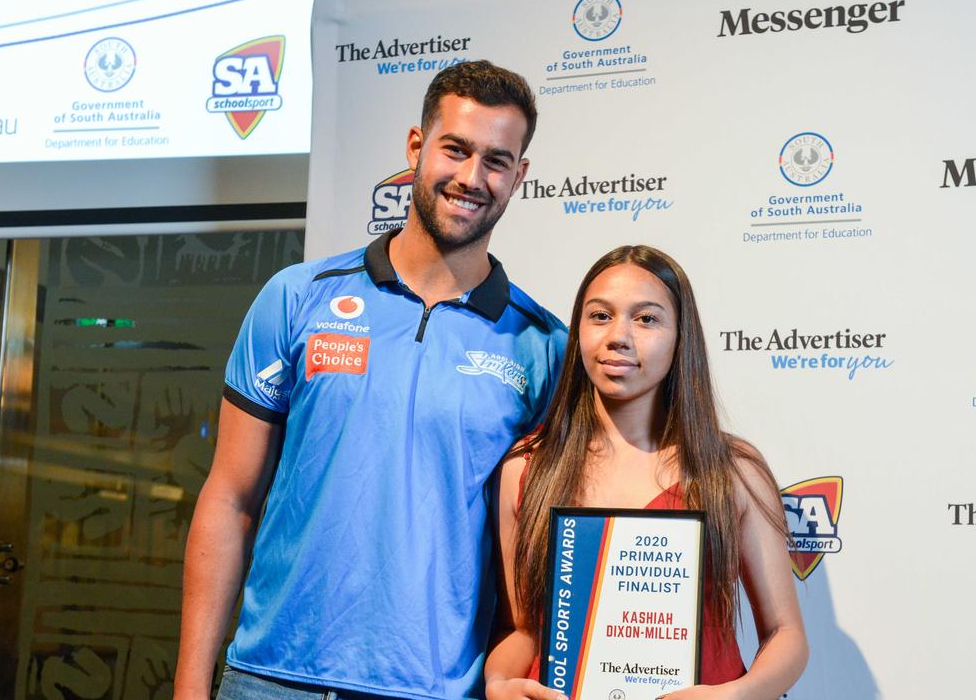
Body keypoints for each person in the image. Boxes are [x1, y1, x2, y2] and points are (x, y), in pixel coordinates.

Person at [173, 60, 567, 700]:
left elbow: (540, 555)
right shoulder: (297, 298)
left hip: (434, 691)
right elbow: (229, 500)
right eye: (455, 149)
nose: (472, 177)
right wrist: (191, 686)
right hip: (272, 678)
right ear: (417, 148)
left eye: (497, 160)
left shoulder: (543, 347)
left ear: (519, 176)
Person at [485, 246, 809, 700]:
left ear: (681, 337)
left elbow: (785, 634)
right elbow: (520, 630)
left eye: (647, 319)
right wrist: (498, 683)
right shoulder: (528, 467)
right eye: (599, 316)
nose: (618, 336)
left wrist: (736, 695)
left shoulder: (733, 472)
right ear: (577, 331)